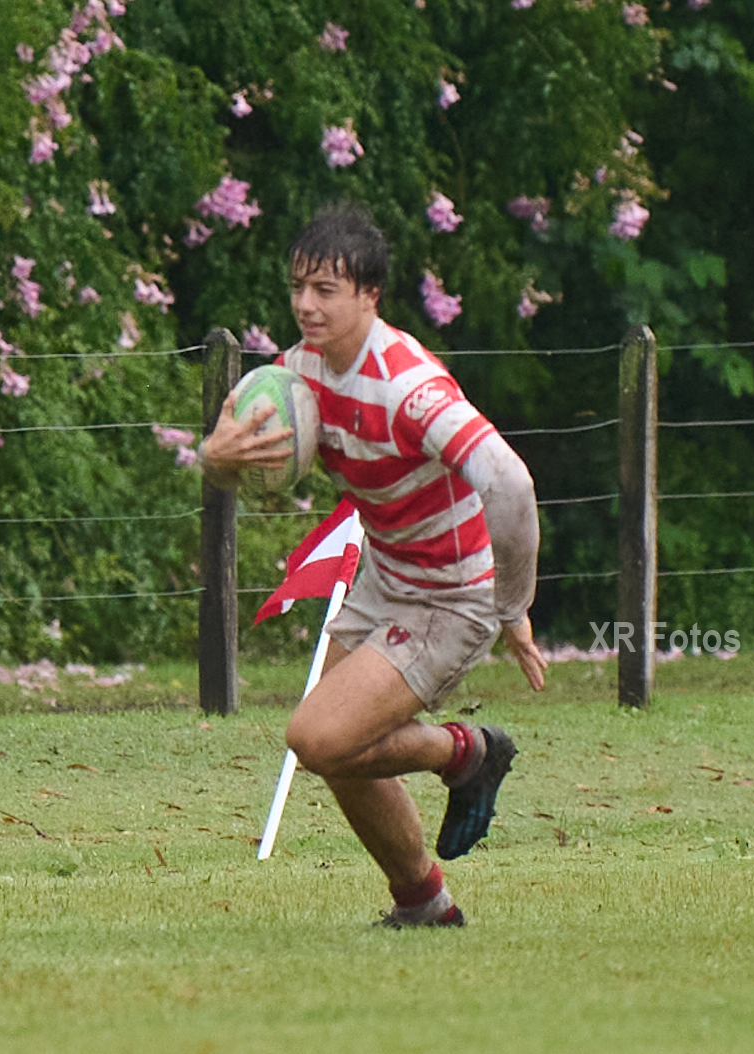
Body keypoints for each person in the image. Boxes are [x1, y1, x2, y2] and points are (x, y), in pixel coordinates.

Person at [200, 204, 549, 927]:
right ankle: (424, 903)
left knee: (317, 736)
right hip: (386, 577)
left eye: (326, 289)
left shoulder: (407, 388)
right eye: (299, 286)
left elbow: (510, 484)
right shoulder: (296, 376)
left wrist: (511, 606)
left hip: (449, 599)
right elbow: (233, 462)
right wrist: (216, 458)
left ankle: (465, 753)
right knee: (337, 748)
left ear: (369, 295)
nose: (305, 304)